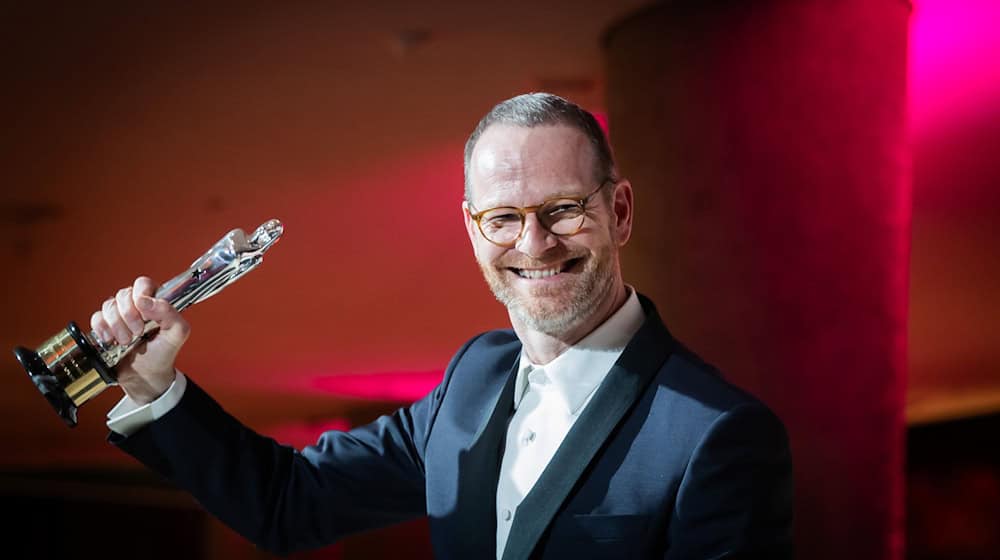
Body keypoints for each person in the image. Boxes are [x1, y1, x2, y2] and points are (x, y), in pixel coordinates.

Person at [93, 93, 794, 559]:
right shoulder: (472, 378)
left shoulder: (718, 434)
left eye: (564, 209)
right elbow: (290, 504)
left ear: (620, 212)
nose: (534, 243)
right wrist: (157, 386)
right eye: (503, 218)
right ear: (471, 228)